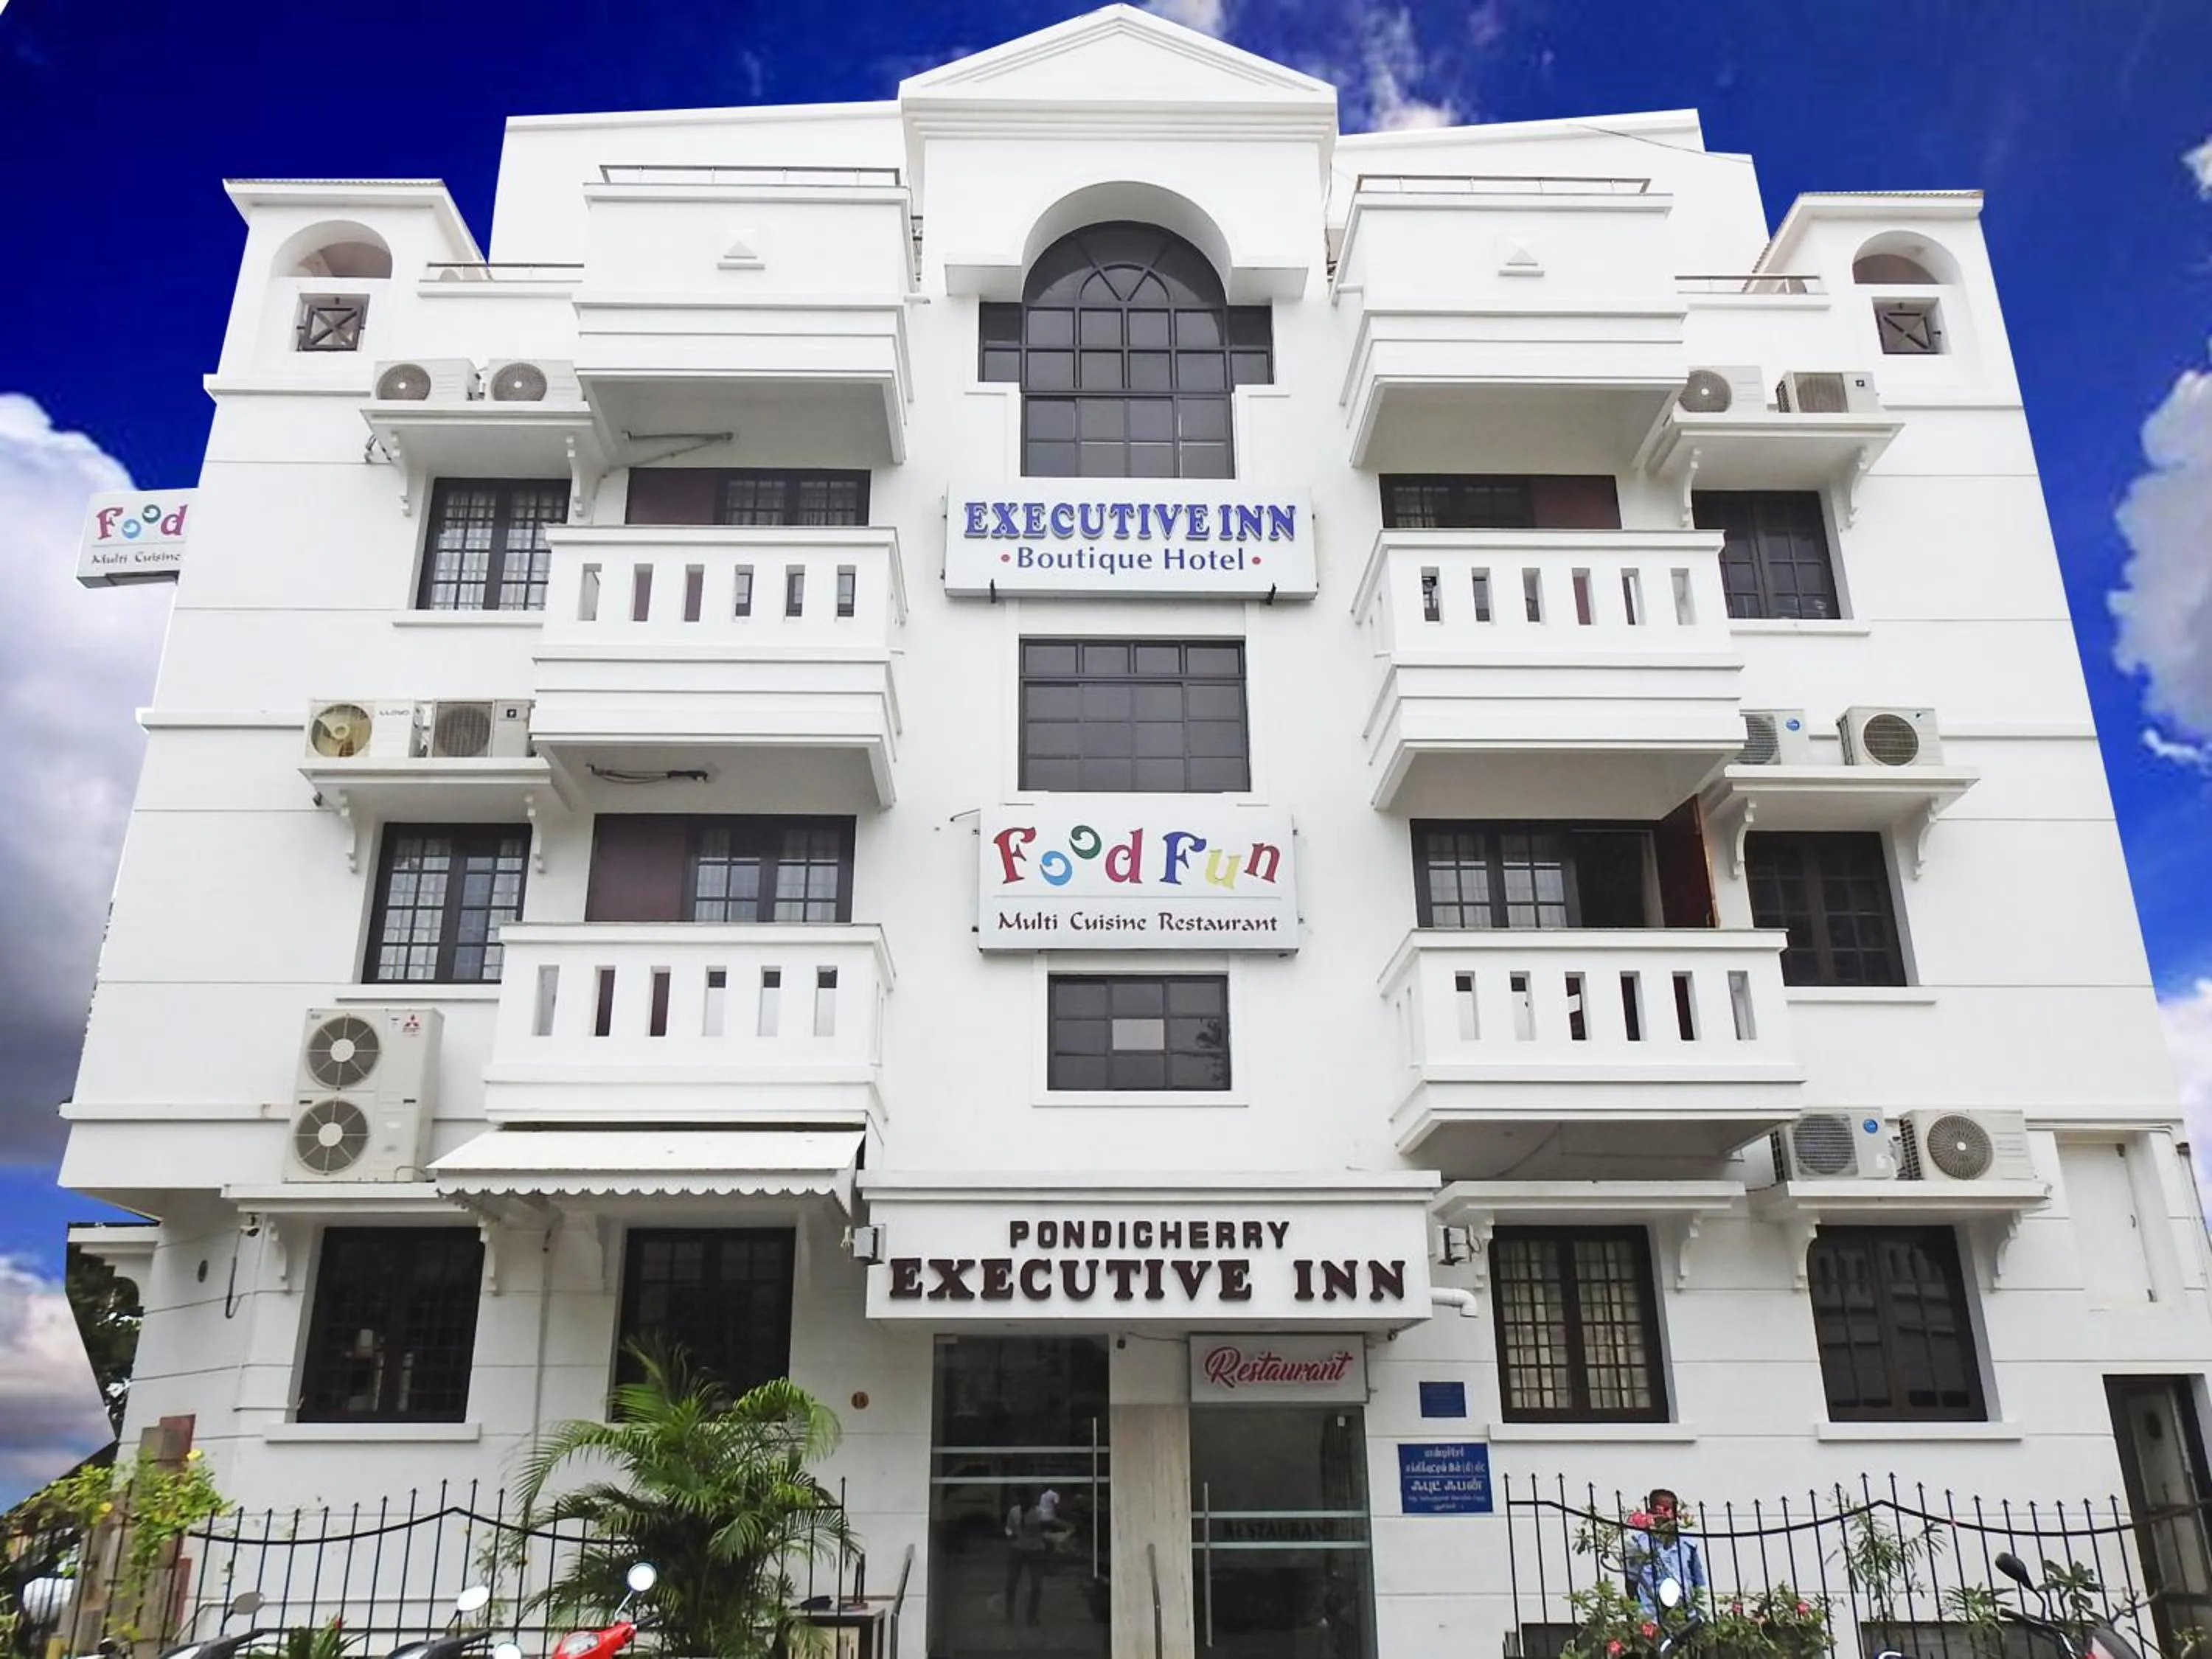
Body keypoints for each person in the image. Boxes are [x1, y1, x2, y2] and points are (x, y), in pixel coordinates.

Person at [1623, 1489, 1705, 1615]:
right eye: (1664, 1510)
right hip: (1652, 1616)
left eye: (1673, 1510)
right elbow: (1631, 1583)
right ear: (1651, 1512)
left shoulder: (1687, 1545)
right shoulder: (1638, 1545)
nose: (1669, 1516)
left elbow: (1697, 1583)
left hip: (1685, 1615)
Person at [1004, 1489, 1061, 1625]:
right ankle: (1009, 1615)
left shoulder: (1040, 1514)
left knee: (1036, 1586)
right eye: (1021, 1499)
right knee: (1011, 1584)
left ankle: (1032, 1617)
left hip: (1035, 1551)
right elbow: (1008, 1528)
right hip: (1017, 1549)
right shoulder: (1014, 1512)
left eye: (1026, 1499)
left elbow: (1049, 1527)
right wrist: (1010, 1534)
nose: (1024, 1502)